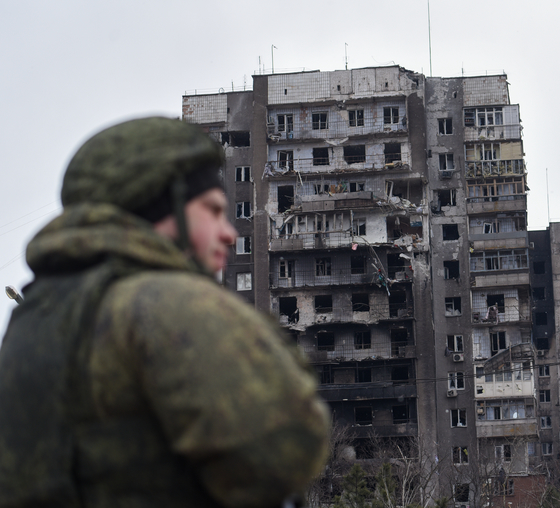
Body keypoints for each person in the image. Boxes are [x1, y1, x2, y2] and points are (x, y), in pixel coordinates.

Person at [0, 117, 330, 507]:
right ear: (164, 206)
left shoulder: (31, 323)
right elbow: (287, 448)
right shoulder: (171, 301)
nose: (229, 233)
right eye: (212, 210)